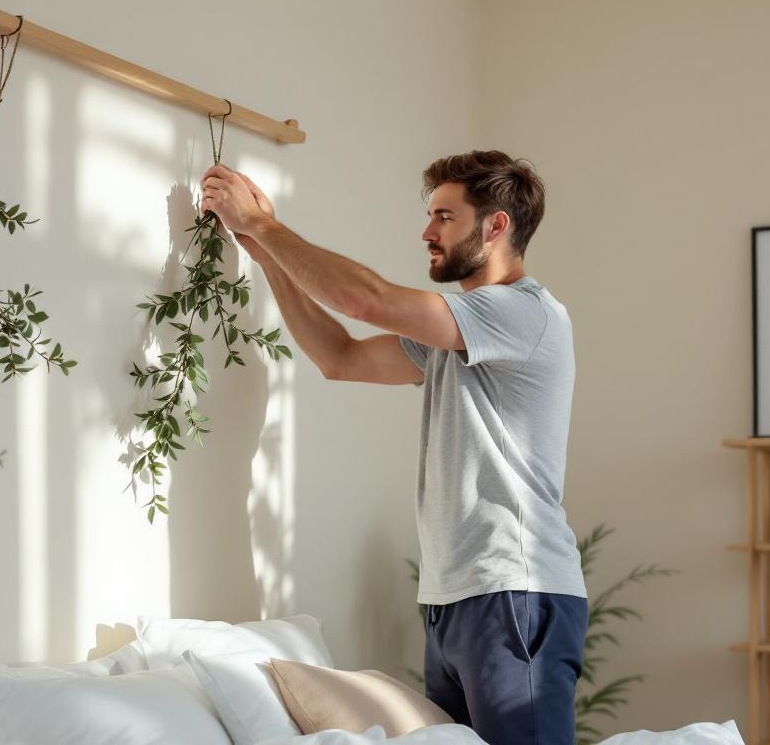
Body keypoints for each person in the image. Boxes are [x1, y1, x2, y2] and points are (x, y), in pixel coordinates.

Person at [200, 150, 587, 744]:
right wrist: (264, 252)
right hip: (455, 597)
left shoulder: (522, 313)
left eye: (445, 217)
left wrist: (266, 226)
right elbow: (341, 357)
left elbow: (367, 301)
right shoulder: (452, 333)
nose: (428, 232)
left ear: (496, 225)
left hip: (513, 590)